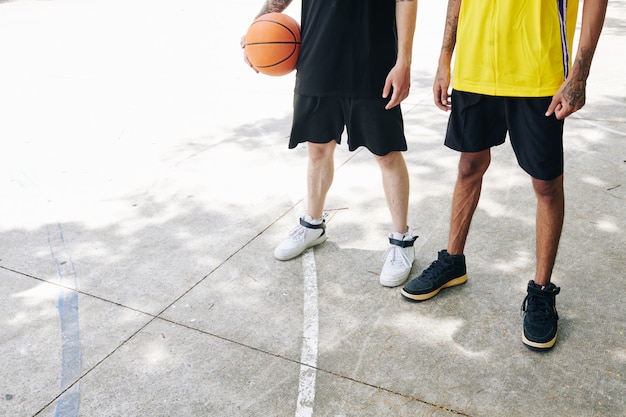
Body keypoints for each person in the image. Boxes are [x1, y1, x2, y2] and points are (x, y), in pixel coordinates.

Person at [401, 0, 607, 350]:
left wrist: (579, 74)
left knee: (546, 184)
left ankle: (541, 291)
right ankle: (453, 262)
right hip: (475, 65)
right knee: (469, 166)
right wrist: (444, 58)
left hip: (536, 70)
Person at [242, 0, 419, 287]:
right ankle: (312, 224)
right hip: (317, 57)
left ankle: (402, 241)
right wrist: (256, 30)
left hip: (372, 59)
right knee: (318, 149)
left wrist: (404, 62)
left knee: (386, 153)